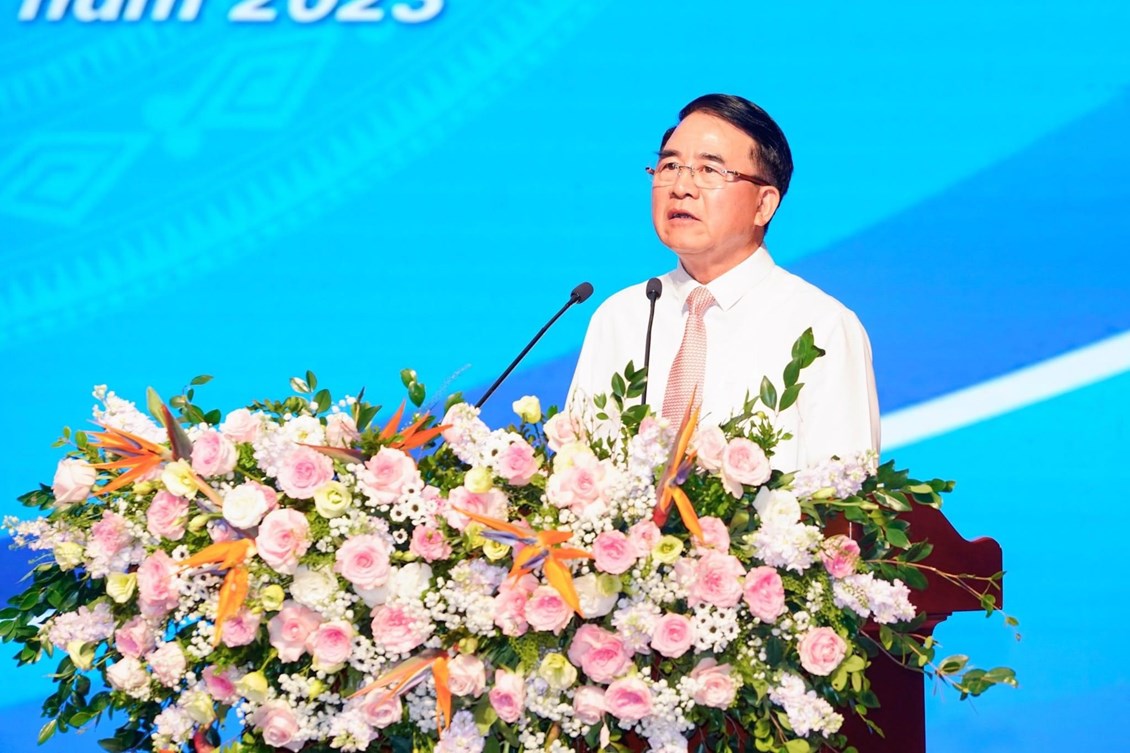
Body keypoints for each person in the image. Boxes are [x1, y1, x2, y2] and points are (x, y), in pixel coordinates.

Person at [567, 93, 880, 471]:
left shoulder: (821, 328)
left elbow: (847, 491)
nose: (681, 187)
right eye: (670, 166)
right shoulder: (620, 317)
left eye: (709, 170)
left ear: (764, 204)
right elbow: (576, 467)